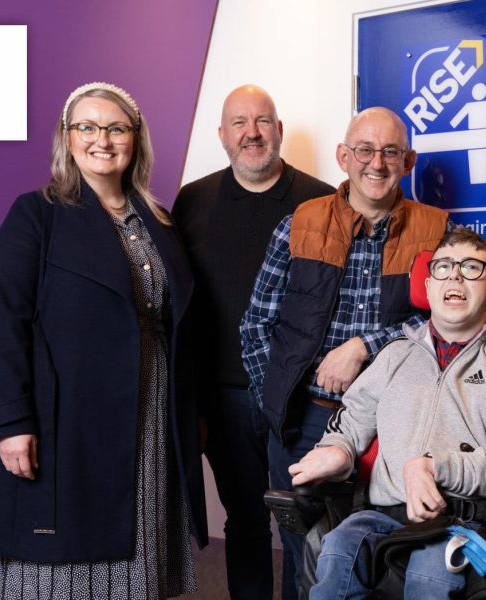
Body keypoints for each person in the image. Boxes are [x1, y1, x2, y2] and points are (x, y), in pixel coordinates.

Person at [0, 82, 206, 599]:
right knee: (61, 566)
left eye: (116, 127)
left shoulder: (160, 221)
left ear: (135, 140)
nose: (102, 139)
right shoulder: (37, 214)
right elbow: (4, 322)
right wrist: (12, 422)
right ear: (67, 138)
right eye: (87, 126)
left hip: (149, 412)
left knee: (135, 556)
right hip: (67, 418)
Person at [240, 106, 451, 599]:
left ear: (410, 160)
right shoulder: (300, 223)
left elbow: (449, 320)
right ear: (343, 156)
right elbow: (256, 323)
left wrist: (362, 347)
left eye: (390, 152)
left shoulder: (436, 231)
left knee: (380, 554)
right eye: (364, 150)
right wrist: (274, 399)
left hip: (393, 424)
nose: (376, 163)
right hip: (304, 420)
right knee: (303, 556)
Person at [289, 228, 486, 598]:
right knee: (335, 550)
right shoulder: (394, 355)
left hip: (466, 517)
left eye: (472, 268)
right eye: (443, 267)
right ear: (428, 287)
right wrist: (339, 450)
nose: (456, 276)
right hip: (384, 513)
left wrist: (433, 466)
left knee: (432, 572)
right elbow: (349, 422)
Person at [173, 84, 334, 600]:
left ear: (279, 130)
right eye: (239, 123)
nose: (252, 133)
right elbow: (183, 304)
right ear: (222, 135)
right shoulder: (192, 200)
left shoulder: (321, 199)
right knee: (243, 522)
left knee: (299, 521)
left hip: (297, 396)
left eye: (262, 121)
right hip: (223, 399)